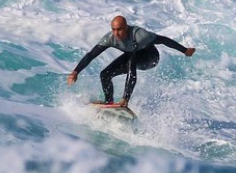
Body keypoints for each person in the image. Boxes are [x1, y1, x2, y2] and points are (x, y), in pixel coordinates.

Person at [67, 16, 196, 107]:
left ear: (126, 27)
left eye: (119, 29)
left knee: (131, 61)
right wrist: (75, 71)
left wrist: (184, 50)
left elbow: (163, 40)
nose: (116, 33)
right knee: (105, 74)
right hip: (132, 56)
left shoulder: (141, 35)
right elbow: (91, 55)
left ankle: (125, 100)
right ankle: (109, 102)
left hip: (150, 58)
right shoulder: (110, 38)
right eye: (113, 29)